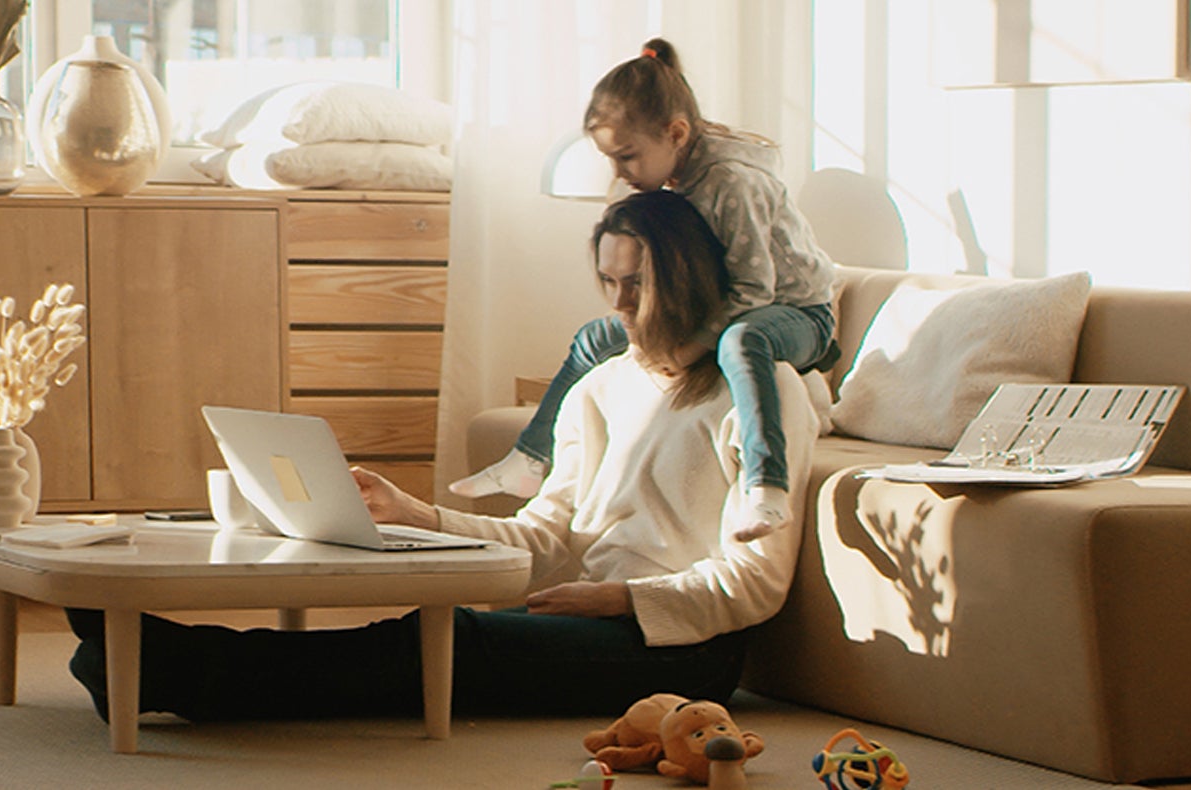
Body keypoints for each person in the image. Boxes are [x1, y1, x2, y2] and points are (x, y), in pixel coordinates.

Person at [62, 190, 819, 722]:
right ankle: (159, 662)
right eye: (609, 282)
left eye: (639, 284)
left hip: (681, 650)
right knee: (433, 632)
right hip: (590, 615)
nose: (619, 304)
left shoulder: (760, 393)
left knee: (451, 644)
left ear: (686, 279)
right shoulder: (603, 386)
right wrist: (416, 514)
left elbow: (757, 582)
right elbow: (546, 537)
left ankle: (166, 669)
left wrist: (622, 600)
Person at [450, 37, 838, 544]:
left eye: (627, 157)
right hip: (739, 307)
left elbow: (754, 289)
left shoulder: (733, 182)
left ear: (676, 133)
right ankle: (529, 458)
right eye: (611, 159)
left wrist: (689, 346)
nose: (619, 172)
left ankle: (767, 487)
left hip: (798, 313)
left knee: (743, 341)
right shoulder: (680, 175)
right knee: (594, 338)